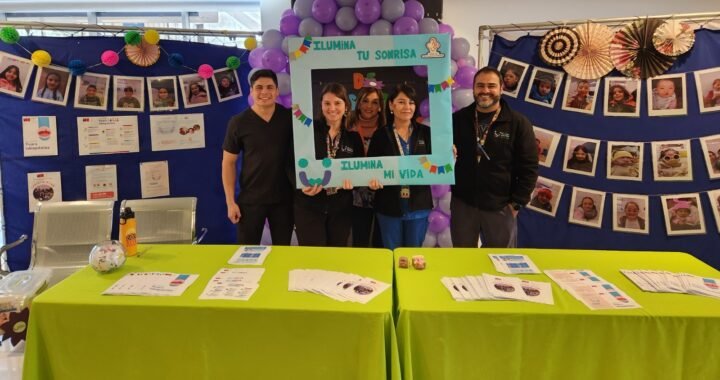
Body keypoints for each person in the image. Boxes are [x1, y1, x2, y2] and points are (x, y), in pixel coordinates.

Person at [451, 67, 538, 248]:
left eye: (491, 86)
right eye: (480, 85)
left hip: (501, 205)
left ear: (501, 89)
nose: (485, 90)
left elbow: (529, 167)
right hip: (463, 204)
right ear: (473, 88)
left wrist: (516, 204)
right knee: (461, 261)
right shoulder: (457, 120)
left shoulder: (518, 123)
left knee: (500, 263)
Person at [222, 69, 294, 245]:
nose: (264, 92)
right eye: (259, 87)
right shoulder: (238, 122)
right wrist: (230, 202)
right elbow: (228, 163)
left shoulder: (290, 118)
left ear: (277, 91)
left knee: (282, 254)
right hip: (251, 200)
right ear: (251, 91)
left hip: (285, 200)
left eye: (270, 87)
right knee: (246, 255)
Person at [294, 83, 364, 246]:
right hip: (309, 205)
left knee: (336, 259)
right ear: (321, 105)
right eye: (327, 103)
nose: (332, 108)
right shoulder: (307, 132)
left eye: (337, 103)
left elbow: (359, 171)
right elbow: (290, 164)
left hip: (340, 209)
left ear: (346, 106)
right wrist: (301, 186)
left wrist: (352, 184)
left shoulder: (353, 138)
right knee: (314, 260)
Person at [367, 83, 432, 250]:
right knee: (392, 254)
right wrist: (372, 181)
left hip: (418, 205)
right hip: (389, 206)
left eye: (411, 102)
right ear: (391, 105)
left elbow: (437, 165)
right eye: (401, 102)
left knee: (413, 255)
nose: (407, 107)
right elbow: (371, 169)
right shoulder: (380, 135)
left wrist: (449, 154)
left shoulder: (426, 133)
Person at [347, 86, 385, 247]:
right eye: (365, 101)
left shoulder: (387, 129)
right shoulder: (347, 127)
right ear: (359, 104)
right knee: (359, 240)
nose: (369, 106)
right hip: (356, 194)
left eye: (375, 102)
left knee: (380, 240)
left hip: (383, 192)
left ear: (380, 106)